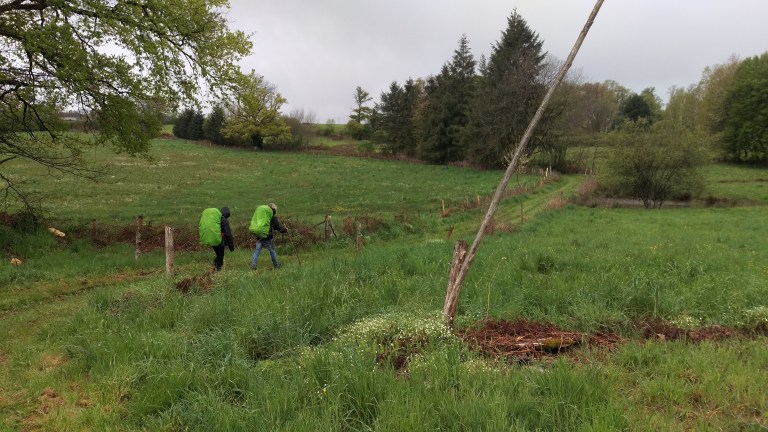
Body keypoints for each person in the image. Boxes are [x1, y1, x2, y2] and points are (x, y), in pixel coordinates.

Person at [251, 202, 288, 270]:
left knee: (257, 251)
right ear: (273, 210)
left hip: (259, 236)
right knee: (272, 251)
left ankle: (253, 265)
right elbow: (278, 228)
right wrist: (285, 230)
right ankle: (276, 265)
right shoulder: (272, 217)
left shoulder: (262, 216)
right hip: (268, 237)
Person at [212, 207, 235, 271]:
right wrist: (231, 247)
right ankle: (218, 270)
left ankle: (215, 266)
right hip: (220, 241)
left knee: (218, 255)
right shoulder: (224, 220)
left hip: (213, 239)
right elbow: (228, 234)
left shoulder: (216, 219)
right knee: (220, 255)